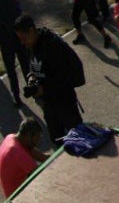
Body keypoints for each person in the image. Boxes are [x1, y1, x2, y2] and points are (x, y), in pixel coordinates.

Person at [14, 15, 87, 145]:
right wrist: (31, 77)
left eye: (23, 38)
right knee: (57, 140)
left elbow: (72, 77)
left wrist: (45, 89)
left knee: (79, 140)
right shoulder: (32, 46)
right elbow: (35, 67)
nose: (22, 42)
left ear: (31, 31)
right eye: (19, 39)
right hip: (49, 105)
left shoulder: (54, 46)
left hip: (65, 103)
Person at [0, 0, 29, 107]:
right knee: (11, 68)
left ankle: (31, 87)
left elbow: (19, 0)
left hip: (18, 33)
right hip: (5, 36)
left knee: (25, 62)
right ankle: (16, 95)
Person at [0, 119, 48, 198]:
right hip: (17, 196)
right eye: (36, 139)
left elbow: (39, 155)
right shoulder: (20, 154)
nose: (37, 143)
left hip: (11, 189)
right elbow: (40, 174)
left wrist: (47, 158)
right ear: (28, 135)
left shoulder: (11, 137)